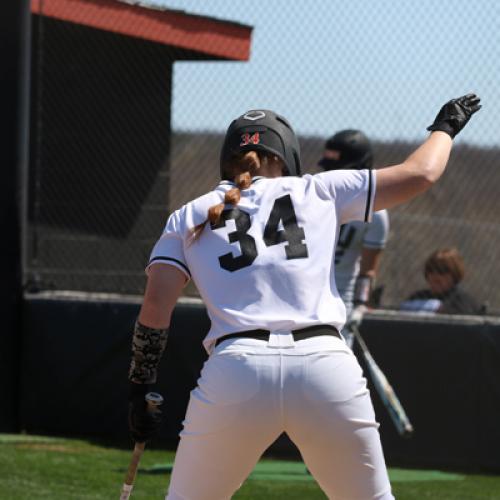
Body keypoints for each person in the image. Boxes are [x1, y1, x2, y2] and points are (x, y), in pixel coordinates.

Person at [127, 94, 481, 500]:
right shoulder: (320, 189)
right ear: (286, 154)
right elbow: (422, 173)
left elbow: (155, 307)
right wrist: (446, 127)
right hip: (325, 366)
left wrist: (140, 387)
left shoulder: (190, 214)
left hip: (236, 369)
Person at [319, 130, 390, 347]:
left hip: (340, 306)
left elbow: (367, 271)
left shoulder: (376, 213)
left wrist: (360, 306)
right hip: (303, 300)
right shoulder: (315, 196)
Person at [400, 247, 484, 315]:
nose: (435, 276)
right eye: (431, 270)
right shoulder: (417, 297)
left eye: (442, 270)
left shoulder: (462, 301)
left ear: (454, 274)